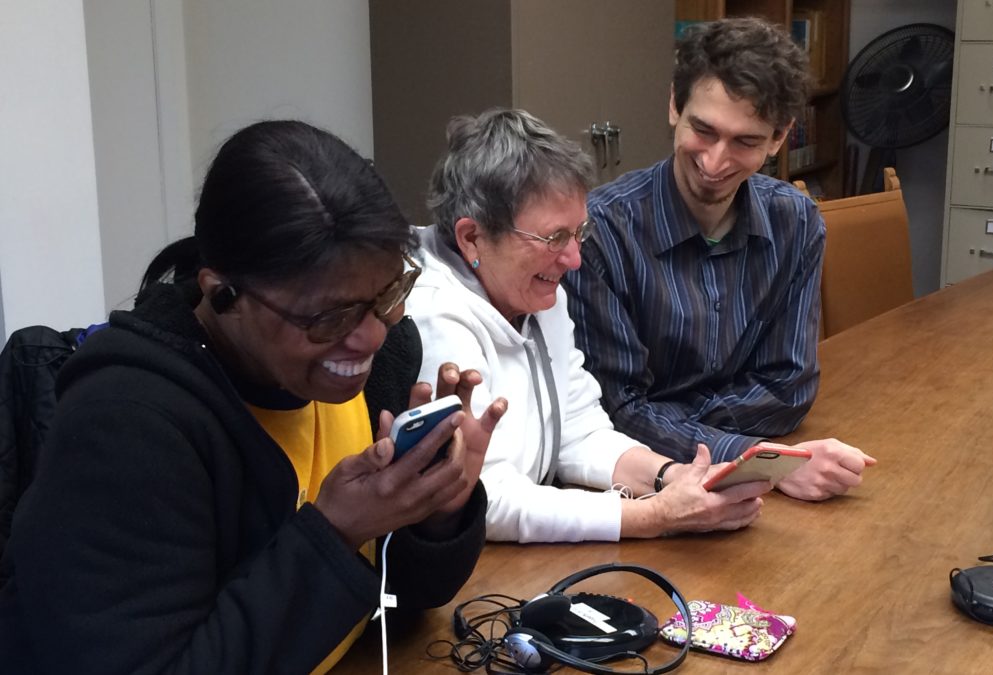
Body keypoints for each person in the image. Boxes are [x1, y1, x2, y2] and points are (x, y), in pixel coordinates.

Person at [0, 120, 505, 674]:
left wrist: (436, 508)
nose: (370, 335)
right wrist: (335, 532)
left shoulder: (381, 360)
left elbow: (394, 601)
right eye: (328, 316)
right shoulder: (127, 424)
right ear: (224, 294)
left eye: (388, 293)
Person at [409, 108, 770, 543]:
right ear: (472, 238)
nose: (574, 259)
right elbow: (484, 499)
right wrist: (652, 517)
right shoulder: (431, 318)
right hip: (467, 570)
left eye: (579, 232)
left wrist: (670, 477)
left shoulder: (534, 293)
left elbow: (578, 429)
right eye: (554, 238)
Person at [563, 17, 875, 502]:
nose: (714, 162)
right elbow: (616, 410)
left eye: (746, 141)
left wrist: (673, 420)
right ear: (674, 105)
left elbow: (790, 387)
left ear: (779, 138)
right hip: (641, 494)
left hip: (697, 476)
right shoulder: (600, 232)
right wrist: (764, 462)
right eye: (703, 130)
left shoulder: (796, 222)